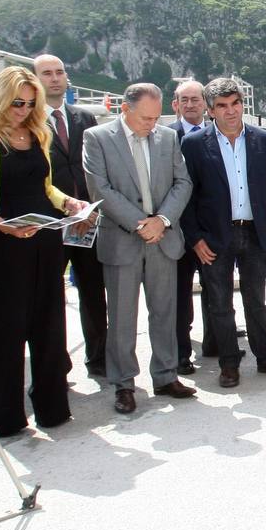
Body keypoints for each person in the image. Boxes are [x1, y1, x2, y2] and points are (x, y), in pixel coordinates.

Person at [0, 67, 85, 435]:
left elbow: (45, 188)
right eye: (18, 102)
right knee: (8, 328)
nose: (23, 109)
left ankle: (52, 407)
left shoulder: (37, 132)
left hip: (45, 237)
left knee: (49, 321)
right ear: (1, 96)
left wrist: (69, 202)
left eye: (31, 103)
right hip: (6, 241)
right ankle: (5, 414)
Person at [83, 82, 196, 415]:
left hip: (163, 238)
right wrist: (140, 223)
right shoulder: (98, 139)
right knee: (122, 317)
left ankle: (165, 375)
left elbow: (183, 182)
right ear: (125, 110)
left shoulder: (168, 138)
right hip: (122, 239)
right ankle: (124, 385)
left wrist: (162, 220)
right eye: (145, 118)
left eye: (156, 117)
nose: (151, 124)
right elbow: (99, 188)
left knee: (164, 311)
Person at [180, 78, 266, 388]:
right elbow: (186, 196)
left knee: (256, 300)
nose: (230, 112)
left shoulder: (263, 140)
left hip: (254, 233)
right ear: (210, 110)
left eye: (235, 104)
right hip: (214, 237)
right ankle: (229, 363)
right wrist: (195, 238)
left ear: (242, 104)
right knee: (219, 302)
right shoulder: (193, 145)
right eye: (222, 106)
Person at [36, 54, 105, 380]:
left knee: (93, 293)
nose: (54, 78)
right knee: (50, 298)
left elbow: (95, 168)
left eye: (60, 72)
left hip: (88, 221)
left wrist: (91, 209)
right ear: (36, 80)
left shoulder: (84, 118)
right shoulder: (30, 122)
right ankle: (56, 367)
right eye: (47, 73)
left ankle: (99, 358)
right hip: (49, 223)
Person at [171, 80, 217, 374]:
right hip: (177, 229)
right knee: (180, 294)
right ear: (175, 104)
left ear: (205, 104)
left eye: (195, 99)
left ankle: (216, 343)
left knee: (216, 291)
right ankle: (181, 352)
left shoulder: (218, 135)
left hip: (212, 228)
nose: (190, 104)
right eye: (183, 100)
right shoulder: (164, 137)